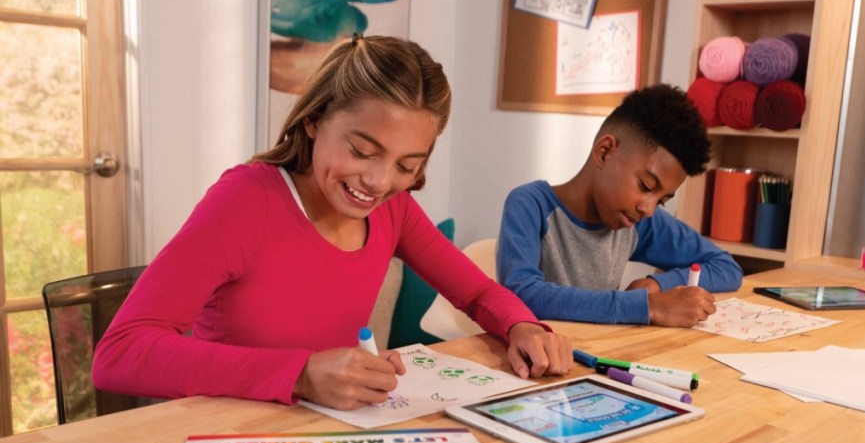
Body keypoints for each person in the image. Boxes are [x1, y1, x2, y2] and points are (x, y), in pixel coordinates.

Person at [93, 35, 572, 411]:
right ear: (314, 120)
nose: (380, 181)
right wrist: (300, 373)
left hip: (325, 429)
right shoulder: (246, 200)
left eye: (407, 166)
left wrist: (523, 327)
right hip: (226, 432)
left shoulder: (393, 210)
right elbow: (121, 354)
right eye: (363, 151)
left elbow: (477, 293)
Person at [497, 84, 743, 327]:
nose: (648, 208)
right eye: (646, 186)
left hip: (602, 357)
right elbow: (522, 294)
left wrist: (658, 284)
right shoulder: (531, 205)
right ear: (604, 152)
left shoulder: (639, 222)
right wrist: (647, 306)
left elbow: (726, 268)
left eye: (662, 201)